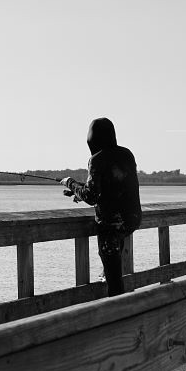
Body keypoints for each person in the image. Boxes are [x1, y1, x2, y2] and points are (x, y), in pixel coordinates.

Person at [60, 117, 142, 296]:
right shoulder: (127, 154)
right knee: (113, 261)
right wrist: (78, 193)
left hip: (110, 225)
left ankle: (117, 315)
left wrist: (70, 183)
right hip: (132, 220)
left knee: (114, 281)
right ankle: (108, 272)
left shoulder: (96, 159)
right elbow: (113, 186)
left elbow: (91, 196)